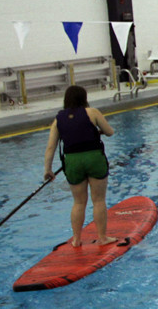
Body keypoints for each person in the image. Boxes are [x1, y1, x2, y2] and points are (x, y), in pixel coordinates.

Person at [43, 86, 117, 247]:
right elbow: (110, 132)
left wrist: (47, 169)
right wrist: (99, 132)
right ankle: (102, 238)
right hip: (93, 158)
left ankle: (76, 239)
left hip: (72, 162)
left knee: (78, 202)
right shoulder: (93, 112)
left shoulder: (58, 120)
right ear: (84, 98)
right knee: (98, 200)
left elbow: (51, 148)